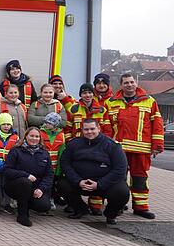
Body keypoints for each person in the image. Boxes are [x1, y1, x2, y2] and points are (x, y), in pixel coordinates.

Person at [106, 73, 164, 219]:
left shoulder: (149, 101)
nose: (129, 85)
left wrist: (157, 145)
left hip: (141, 149)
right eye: (126, 83)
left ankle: (141, 208)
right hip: (119, 149)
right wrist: (106, 146)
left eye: (131, 82)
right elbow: (107, 126)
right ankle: (118, 204)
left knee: (139, 178)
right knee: (118, 178)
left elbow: (157, 124)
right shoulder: (111, 102)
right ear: (121, 84)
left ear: (136, 83)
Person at [59, 119, 130, 225]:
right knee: (62, 184)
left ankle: (110, 214)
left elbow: (120, 169)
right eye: (86, 129)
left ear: (99, 128)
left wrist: (100, 184)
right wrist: (78, 181)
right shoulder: (74, 144)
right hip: (81, 182)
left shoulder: (112, 145)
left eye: (92, 129)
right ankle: (80, 209)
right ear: (82, 130)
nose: (89, 132)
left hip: (105, 184)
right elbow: (65, 163)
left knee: (122, 192)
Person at [3, 127, 53, 227]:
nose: (34, 138)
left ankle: (25, 202)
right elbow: (7, 170)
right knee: (25, 183)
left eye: (37, 136)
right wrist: (26, 175)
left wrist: (41, 189)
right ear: (26, 136)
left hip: (35, 188)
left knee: (44, 206)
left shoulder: (44, 153)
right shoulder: (16, 150)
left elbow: (49, 175)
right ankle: (22, 214)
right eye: (31, 136)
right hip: (15, 185)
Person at [0, 113, 19, 214]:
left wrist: (9, 166)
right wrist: (0, 165)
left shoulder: (15, 138)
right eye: (4, 124)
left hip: (9, 167)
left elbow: (17, 153)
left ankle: (7, 204)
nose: (6, 126)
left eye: (8, 124)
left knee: (7, 185)